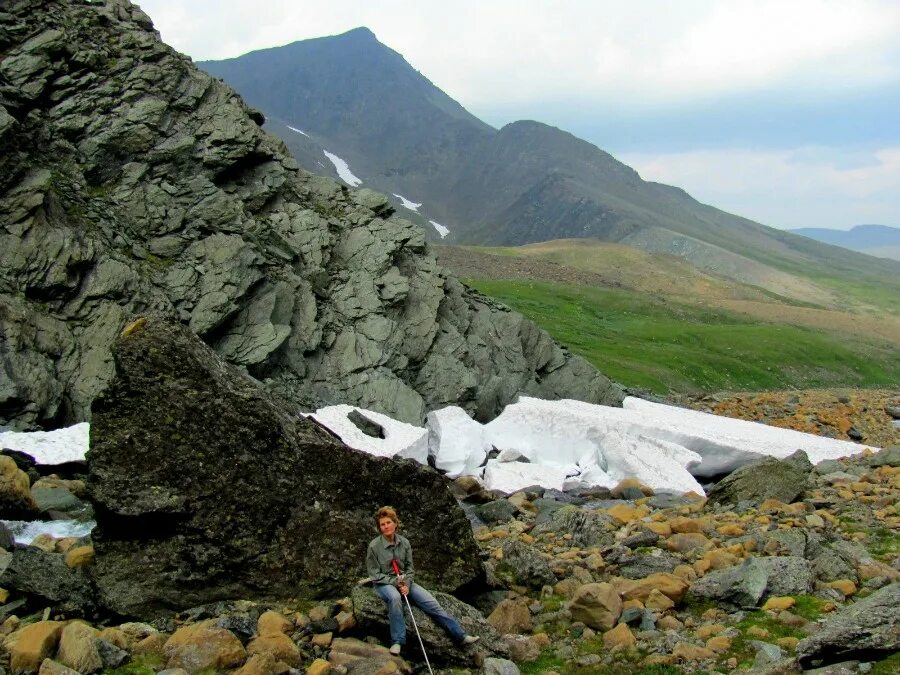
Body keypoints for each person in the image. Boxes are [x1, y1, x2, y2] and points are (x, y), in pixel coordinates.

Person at [366, 505, 480, 656]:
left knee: (431, 602)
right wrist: (395, 583)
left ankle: (461, 635)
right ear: (379, 528)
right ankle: (397, 641)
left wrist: (406, 584)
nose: (386, 526)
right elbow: (374, 574)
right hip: (384, 583)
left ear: (395, 523)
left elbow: (410, 569)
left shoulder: (405, 543)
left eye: (388, 522)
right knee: (394, 598)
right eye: (382, 524)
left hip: (404, 581)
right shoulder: (374, 546)